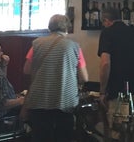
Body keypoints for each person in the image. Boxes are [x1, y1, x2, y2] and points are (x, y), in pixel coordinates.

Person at [23, 14, 88, 142]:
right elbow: (84, 77)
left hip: (40, 101)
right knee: (63, 137)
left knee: (41, 137)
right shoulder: (74, 47)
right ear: (66, 28)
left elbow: (26, 69)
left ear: (49, 28)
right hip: (64, 101)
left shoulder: (36, 44)